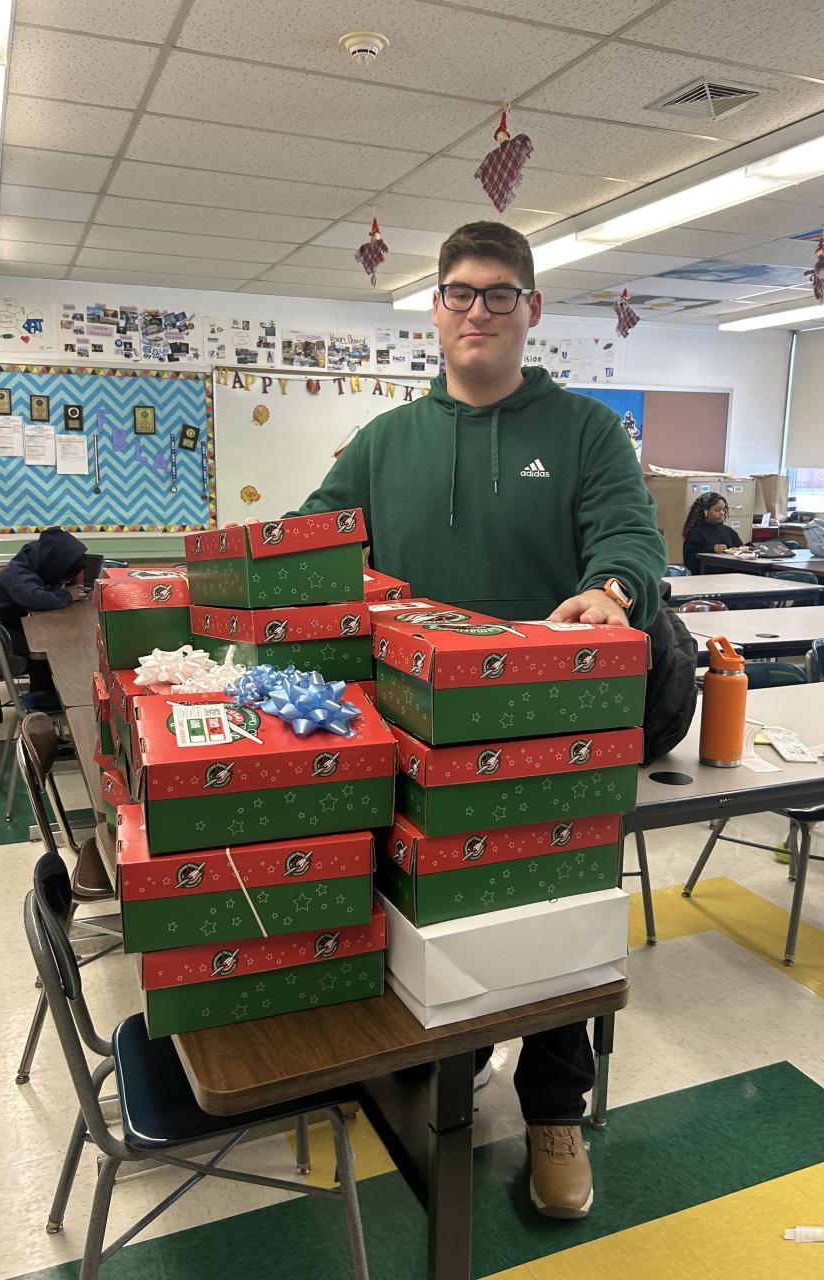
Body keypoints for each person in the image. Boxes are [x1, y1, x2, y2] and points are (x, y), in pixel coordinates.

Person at [286, 220, 668, 1219]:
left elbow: (632, 537)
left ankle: (554, 1112)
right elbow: (312, 540)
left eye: (501, 293)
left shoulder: (586, 431)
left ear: (531, 308)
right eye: (460, 291)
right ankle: (438, 1055)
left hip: (550, 739)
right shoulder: (384, 441)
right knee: (420, 909)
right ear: (436, 308)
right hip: (413, 738)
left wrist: (613, 589)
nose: (479, 310)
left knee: (554, 926)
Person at [0, 527, 87, 707]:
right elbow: (35, 599)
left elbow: (39, 591)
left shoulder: (31, 561)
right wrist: (67, 595)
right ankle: (43, 702)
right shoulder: (19, 575)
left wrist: (59, 591)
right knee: (43, 649)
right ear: (54, 564)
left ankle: (47, 694)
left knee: (43, 641)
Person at [682, 492, 743, 573]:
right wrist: (711, 549)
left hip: (731, 573)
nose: (722, 513)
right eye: (717, 510)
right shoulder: (695, 532)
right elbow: (689, 560)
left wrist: (746, 549)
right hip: (707, 575)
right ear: (705, 511)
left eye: (724, 510)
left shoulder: (729, 531)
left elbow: (739, 549)